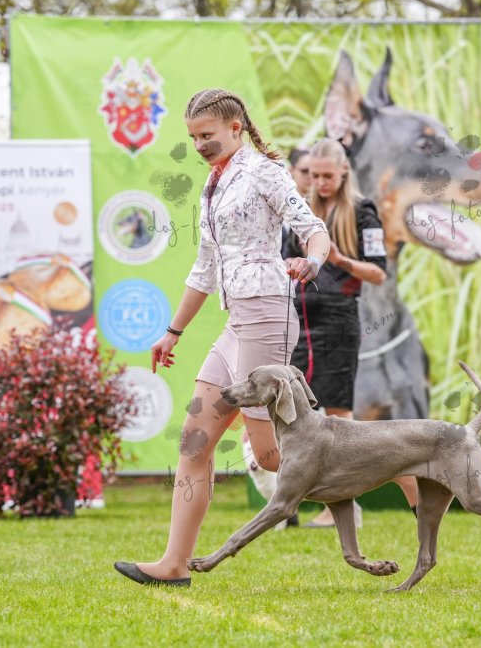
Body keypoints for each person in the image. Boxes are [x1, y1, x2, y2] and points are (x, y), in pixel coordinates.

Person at [113, 88, 331, 587]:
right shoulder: (213, 185)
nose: (199, 145)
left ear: (236, 128)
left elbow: (313, 229)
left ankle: (387, 461)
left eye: (206, 135)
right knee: (194, 442)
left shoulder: (264, 172)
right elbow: (204, 269)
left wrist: (313, 261)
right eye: (193, 138)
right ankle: (173, 565)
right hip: (236, 323)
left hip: (267, 315)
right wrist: (172, 332)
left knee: (271, 456)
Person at [283, 137, 419, 527]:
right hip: (299, 320)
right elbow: (284, 259)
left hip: (339, 321)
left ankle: (347, 505)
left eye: (327, 176)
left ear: (344, 171)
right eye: (313, 175)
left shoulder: (362, 211)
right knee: (298, 413)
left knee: (340, 420)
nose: (320, 183)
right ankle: (293, 503)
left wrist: (340, 259)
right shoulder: (302, 210)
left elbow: (377, 272)